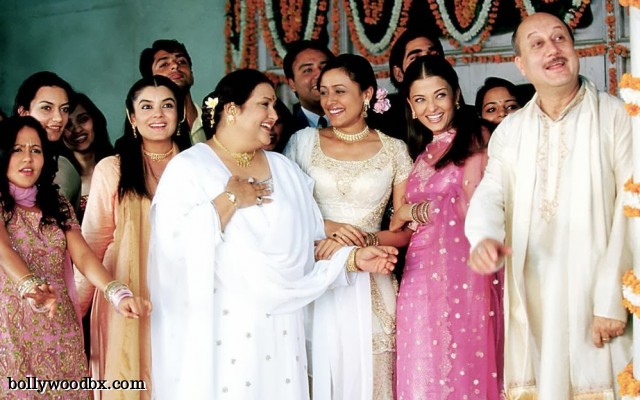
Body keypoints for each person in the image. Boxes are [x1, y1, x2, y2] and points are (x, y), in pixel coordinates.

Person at [147, 68, 398, 400]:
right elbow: (172, 247)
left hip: (281, 329)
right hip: (221, 327)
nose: (274, 115)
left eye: (274, 105)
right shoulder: (191, 168)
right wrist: (229, 200)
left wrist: (354, 259)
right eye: (264, 104)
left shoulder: (285, 170)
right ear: (232, 110)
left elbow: (308, 244)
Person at [465, 12, 632, 399]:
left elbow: (632, 208)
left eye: (560, 39)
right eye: (537, 44)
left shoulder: (616, 116)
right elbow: (491, 192)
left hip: (597, 296)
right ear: (521, 64)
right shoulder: (511, 130)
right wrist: (484, 236)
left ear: (575, 49)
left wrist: (613, 298)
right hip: (535, 292)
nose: (552, 50)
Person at [285, 53, 413, 399]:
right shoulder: (302, 142)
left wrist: (363, 240)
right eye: (324, 92)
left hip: (373, 281)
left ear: (367, 93)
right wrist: (329, 228)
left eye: (339, 91)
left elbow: (405, 230)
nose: (330, 101)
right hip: (317, 271)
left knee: (373, 382)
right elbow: (285, 212)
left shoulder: (394, 150)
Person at [0, 116, 150, 399]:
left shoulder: (55, 202)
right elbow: (3, 250)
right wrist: (32, 287)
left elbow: (82, 254)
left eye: (36, 150)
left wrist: (117, 293)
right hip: (11, 327)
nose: (28, 158)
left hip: (59, 325)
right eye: (17, 149)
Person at [388, 55, 501, 399]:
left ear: (456, 94)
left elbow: (476, 206)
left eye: (440, 95)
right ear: (410, 105)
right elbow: (404, 225)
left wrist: (413, 210)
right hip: (418, 280)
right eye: (420, 99)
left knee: (463, 366)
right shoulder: (421, 154)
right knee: (422, 367)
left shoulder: (478, 139)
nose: (432, 108)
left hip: (464, 277)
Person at [74, 75, 191, 400]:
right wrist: (75, 312)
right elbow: (92, 245)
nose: (158, 114)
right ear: (132, 117)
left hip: (185, 294)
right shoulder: (113, 169)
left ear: (181, 113)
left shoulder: (198, 166)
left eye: (167, 105)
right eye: (147, 107)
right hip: (127, 294)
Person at [13, 71, 81, 210]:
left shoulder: (64, 168)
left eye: (64, 109)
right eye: (46, 108)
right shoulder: (4, 158)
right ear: (23, 112)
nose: (58, 118)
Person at [372, 28, 445, 142]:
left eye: (433, 56)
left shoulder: (470, 118)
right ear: (399, 74)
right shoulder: (382, 124)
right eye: (415, 59)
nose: (425, 64)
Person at [139, 39, 206, 144]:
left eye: (181, 62)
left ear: (191, 73)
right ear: (151, 80)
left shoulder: (215, 119)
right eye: (164, 64)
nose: (175, 66)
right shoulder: (151, 130)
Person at [62, 93, 115, 221]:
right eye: (68, 125)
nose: (77, 129)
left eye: (83, 119)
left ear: (95, 121)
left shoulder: (119, 168)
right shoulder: (59, 180)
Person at [283, 40, 335, 131]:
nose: (319, 74)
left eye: (325, 67)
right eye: (308, 70)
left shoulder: (358, 123)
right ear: (292, 84)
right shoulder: (285, 132)